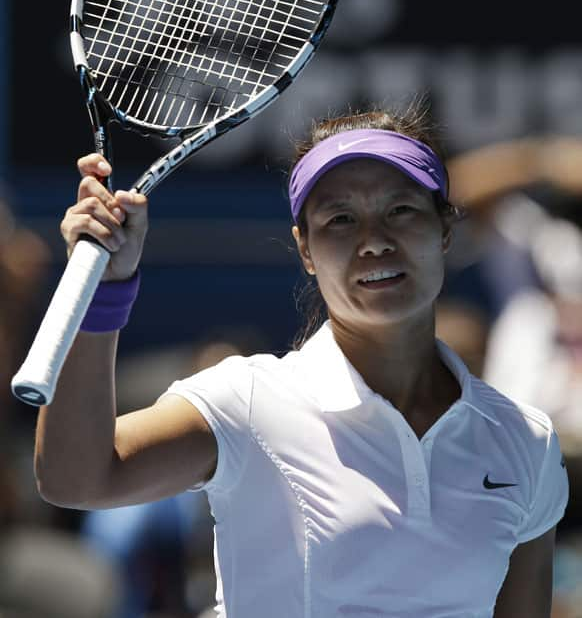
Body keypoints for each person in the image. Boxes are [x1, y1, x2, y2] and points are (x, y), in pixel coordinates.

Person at [34, 107, 569, 617]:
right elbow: (75, 478)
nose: (375, 241)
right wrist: (101, 294)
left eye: (400, 210)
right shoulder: (247, 402)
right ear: (306, 250)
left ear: (445, 229)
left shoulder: (526, 440)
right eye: (340, 219)